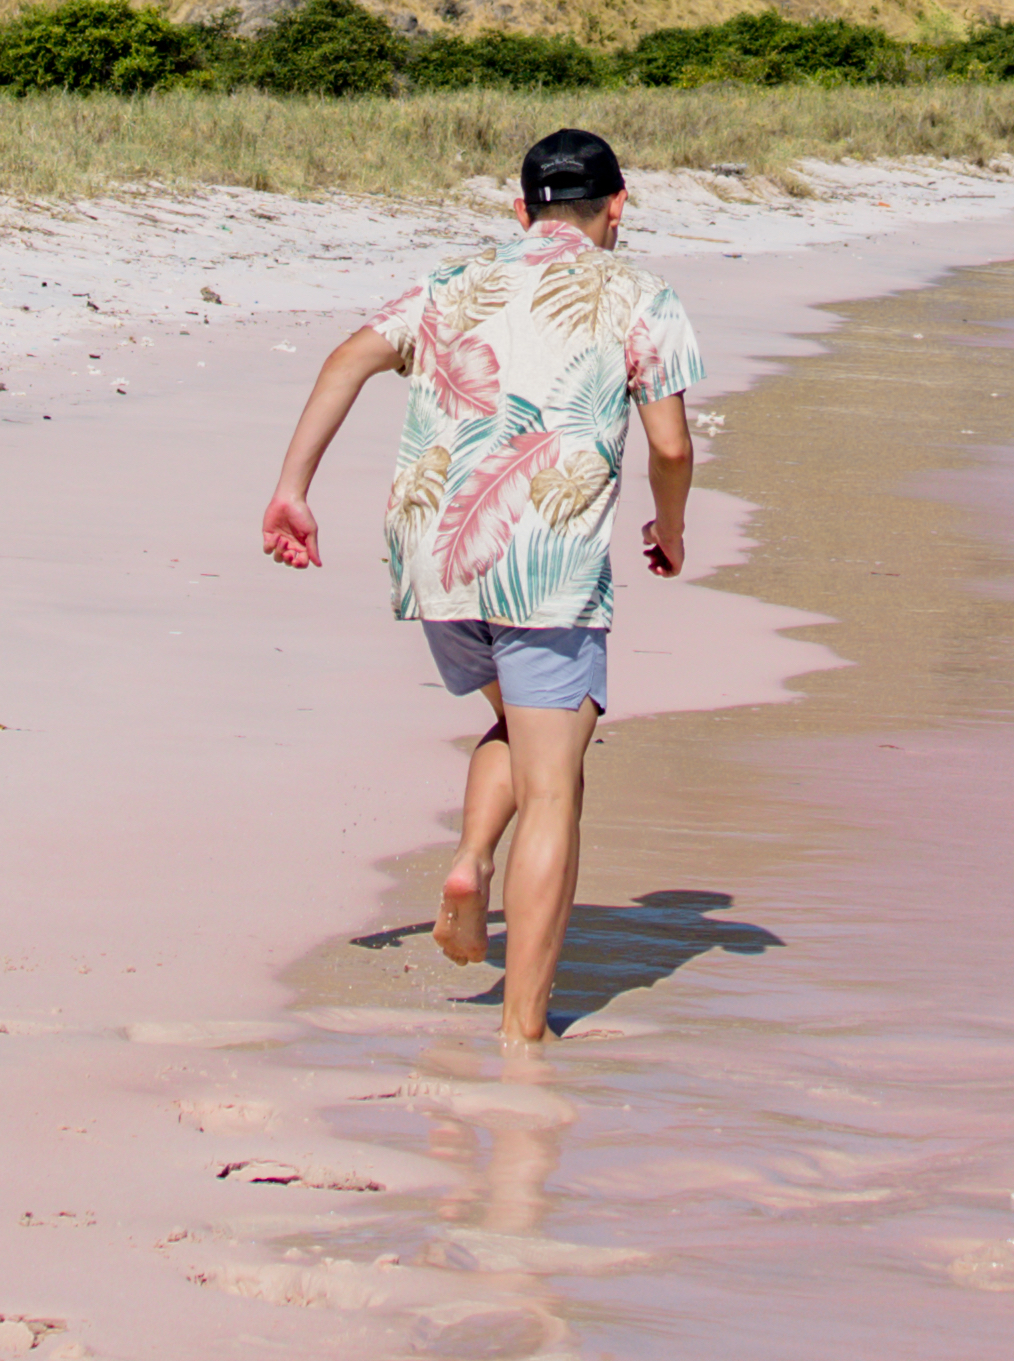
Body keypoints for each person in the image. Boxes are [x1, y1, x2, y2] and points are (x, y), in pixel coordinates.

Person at [261, 128, 702, 1045]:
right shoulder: (640, 295)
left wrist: (291, 490)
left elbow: (347, 356)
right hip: (546, 570)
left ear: (521, 209)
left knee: (516, 726)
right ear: (619, 205)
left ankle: (470, 859)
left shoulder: (451, 284)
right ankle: (521, 1033)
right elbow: (667, 444)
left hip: (438, 560)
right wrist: (670, 526)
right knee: (556, 785)